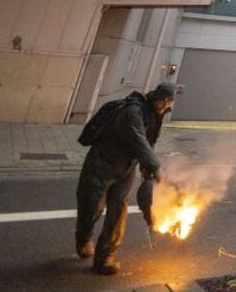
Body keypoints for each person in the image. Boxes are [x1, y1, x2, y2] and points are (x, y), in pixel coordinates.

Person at [75, 84, 174, 275]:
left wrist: (147, 170)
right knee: (92, 207)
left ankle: (105, 257)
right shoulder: (132, 112)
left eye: (168, 104)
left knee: (118, 211)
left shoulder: (155, 114)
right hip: (102, 165)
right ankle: (84, 238)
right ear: (157, 98)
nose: (164, 107)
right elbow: (138, 141)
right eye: (163, 102)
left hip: (126, 168)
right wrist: (157, 168)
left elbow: (148, 143)